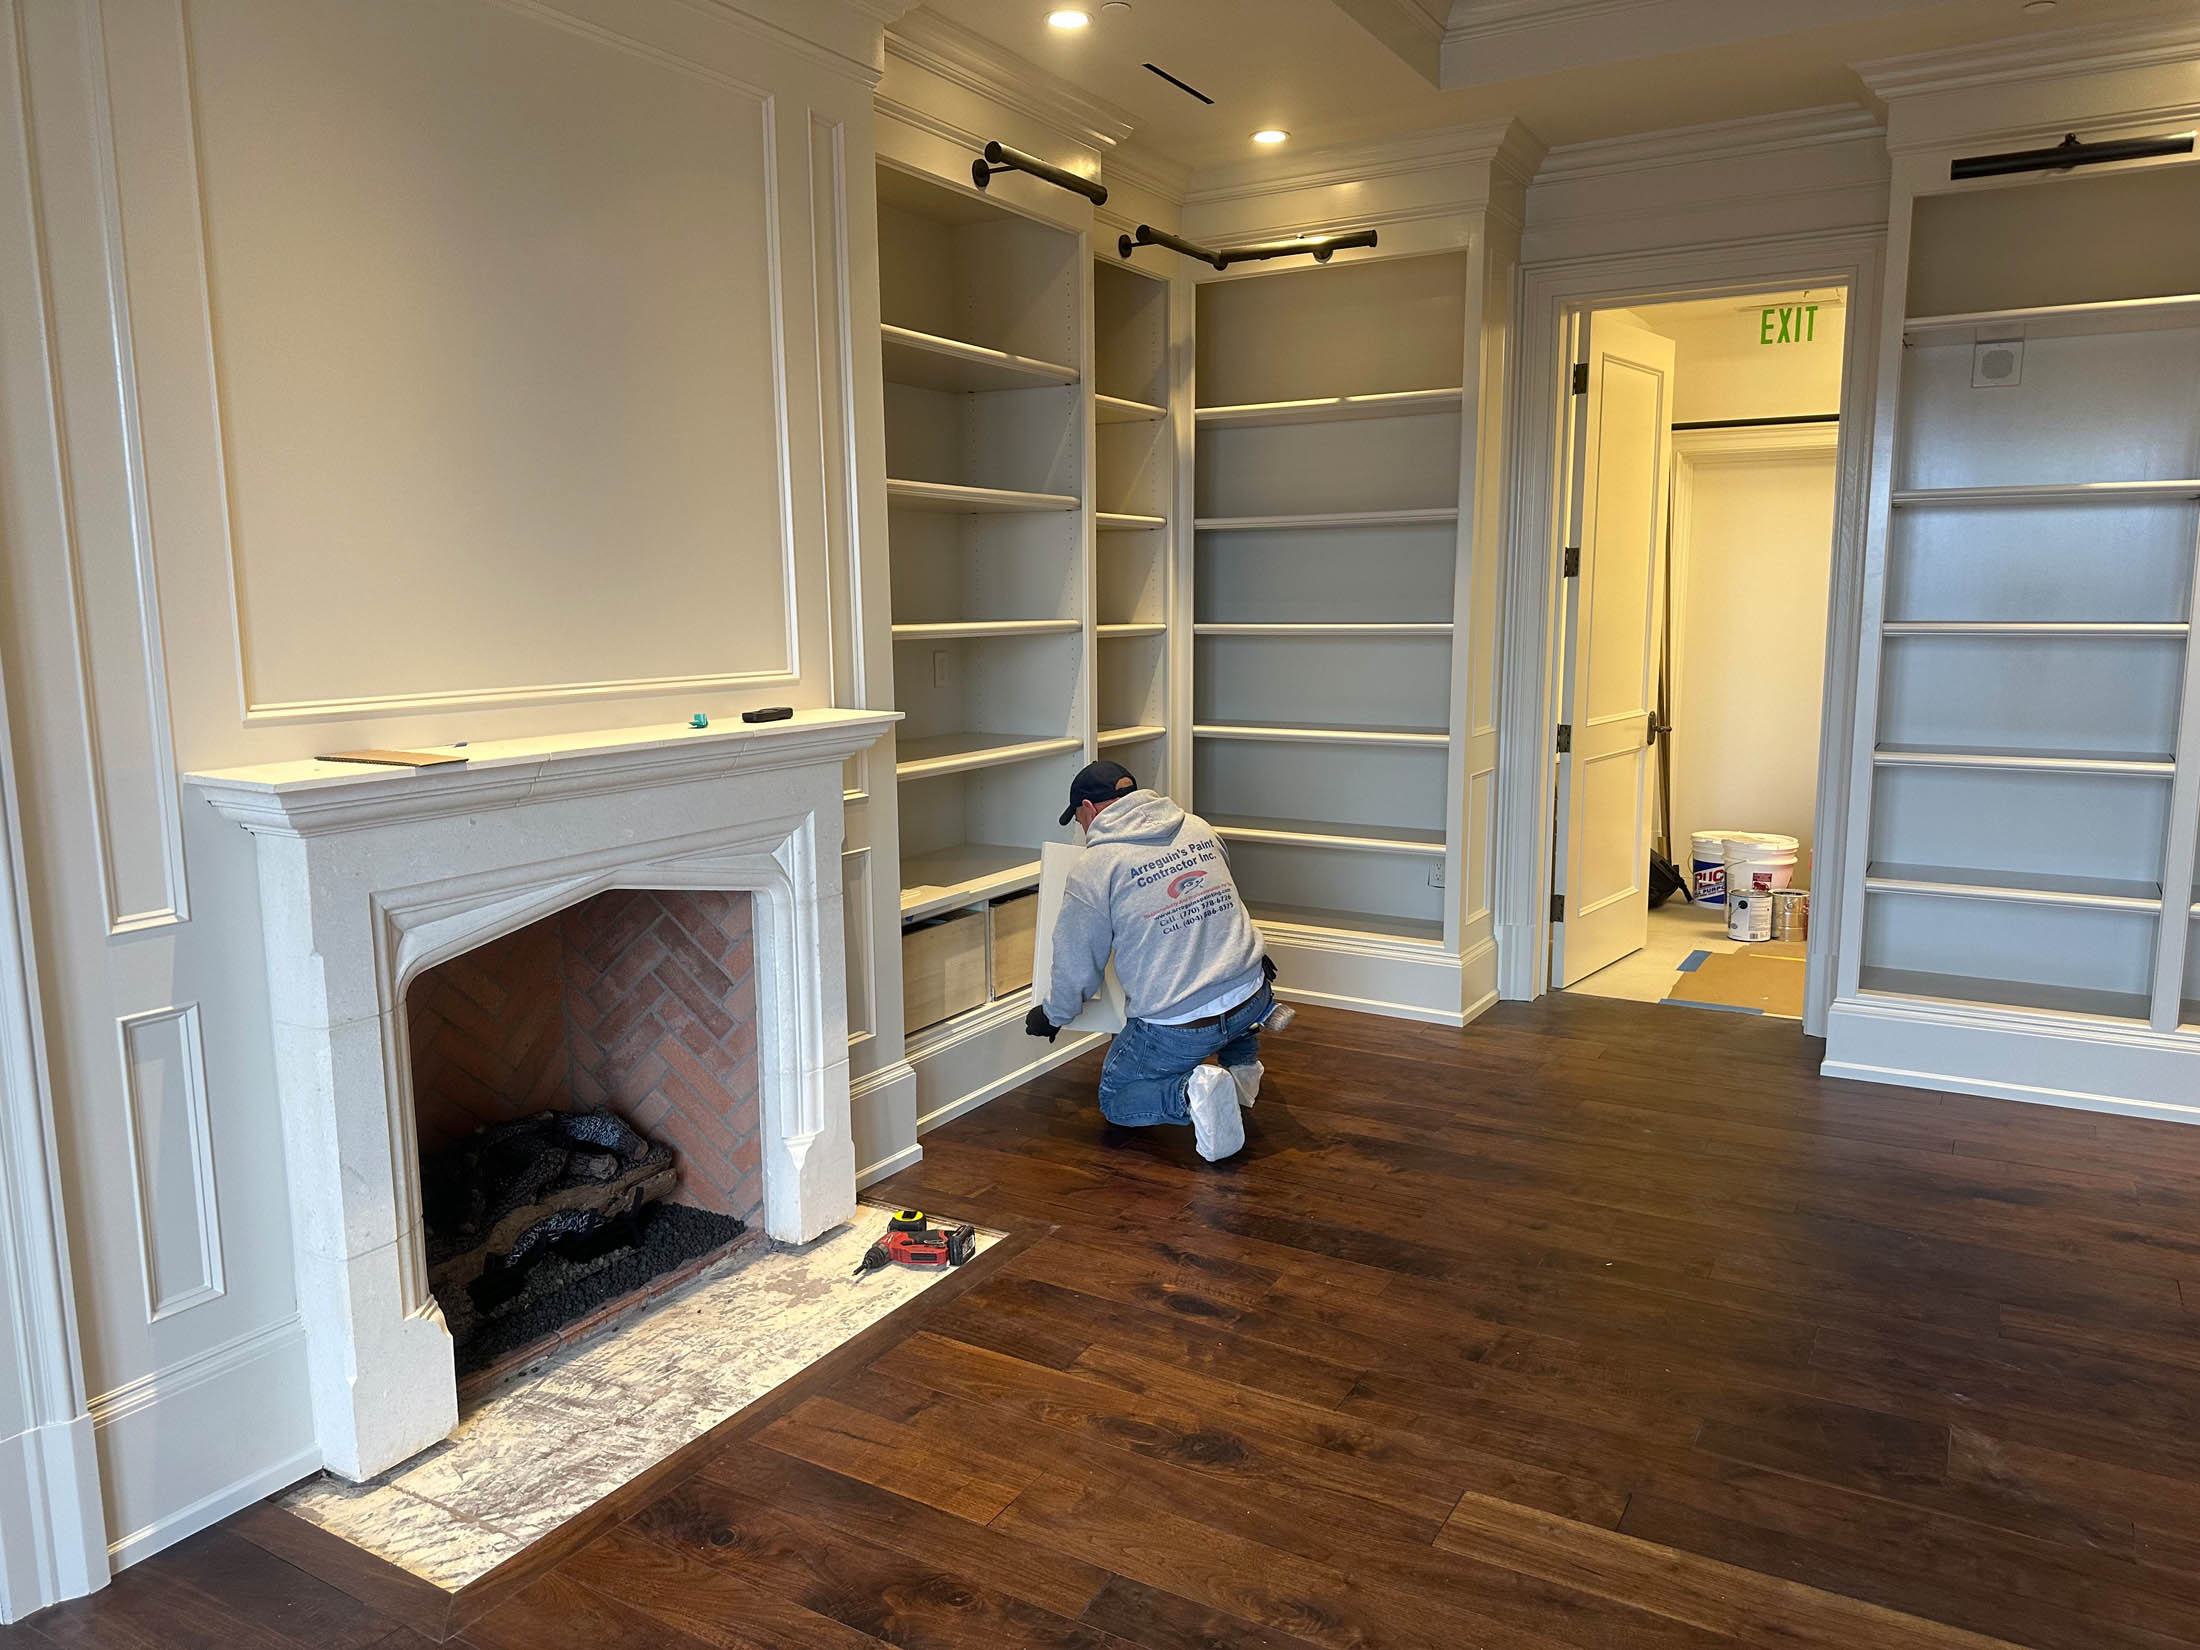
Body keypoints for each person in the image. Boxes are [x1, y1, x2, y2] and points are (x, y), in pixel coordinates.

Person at [1024, 761, 1275, 1161]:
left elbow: (1078, 963)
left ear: (1088, 808)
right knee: (1225, 1000)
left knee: (1117, 1097)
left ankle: (1191, 1096)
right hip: (1254, 990)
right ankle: (1242, 1068)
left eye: (1079, 819)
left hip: (1183, 1026)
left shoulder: (1096, 867)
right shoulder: (1197, 827)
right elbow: (1222, 907)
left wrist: (1054, 1014)